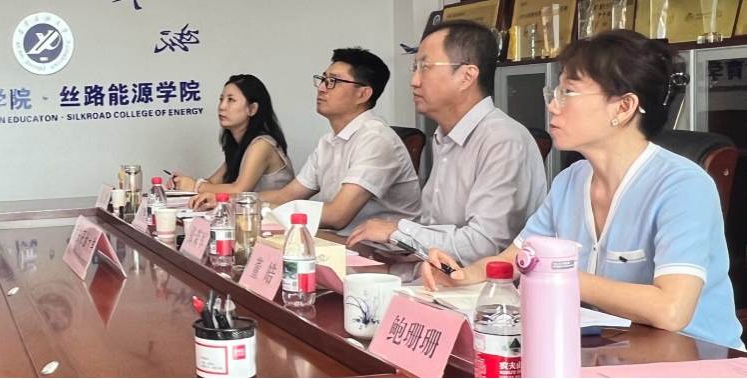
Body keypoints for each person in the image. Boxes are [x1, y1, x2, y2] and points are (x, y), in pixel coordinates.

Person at [421, 30, 743, 349]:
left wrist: (559, 275)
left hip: (698, 357)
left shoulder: (683, 186)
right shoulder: (570, 180)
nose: (553, 106)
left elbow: (671, 310)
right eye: (554, 93)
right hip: (612, 350)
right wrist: (465, 275)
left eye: (568, 93)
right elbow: (518, 257)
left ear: (623, 107)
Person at [347, 20, 546, 265]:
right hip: (435, 274)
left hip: (480, 284)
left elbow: (485, 246)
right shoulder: (444, 136)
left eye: (425, 67)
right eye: (415, 67)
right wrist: (392, 247)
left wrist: (399, 232)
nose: (414, 80)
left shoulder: (503, 140)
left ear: (467, 76)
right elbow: (436, 230)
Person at [194, 48, 421, 234]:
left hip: (383, 254)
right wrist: (232, 201)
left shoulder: (376, 140)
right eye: (323, 79)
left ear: (363, 94)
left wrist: (260, 208)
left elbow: (338, 216)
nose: (321, 88)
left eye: (332, 82)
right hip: (342, 243)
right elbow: (286, 195)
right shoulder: (328, 142)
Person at [169, 74, 294, 196]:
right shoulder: (240, 145)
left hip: (276, 210)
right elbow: (212, 182)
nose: (222, 106)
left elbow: (239, 190)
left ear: (252, 109)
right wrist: (184, 182)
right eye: (221, 99)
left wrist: (195, 186)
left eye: (231, 100)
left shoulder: (262, 145)